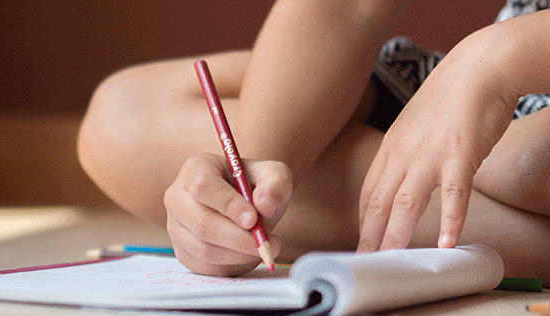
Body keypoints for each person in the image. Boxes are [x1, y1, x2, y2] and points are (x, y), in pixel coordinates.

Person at [76, 0, 550, 280]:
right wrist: (254, 182)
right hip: (481, 83)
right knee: (122, 119)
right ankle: (505, 214)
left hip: (507, 67)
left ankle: (487, 193)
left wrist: (501, 57)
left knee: (527, 160)